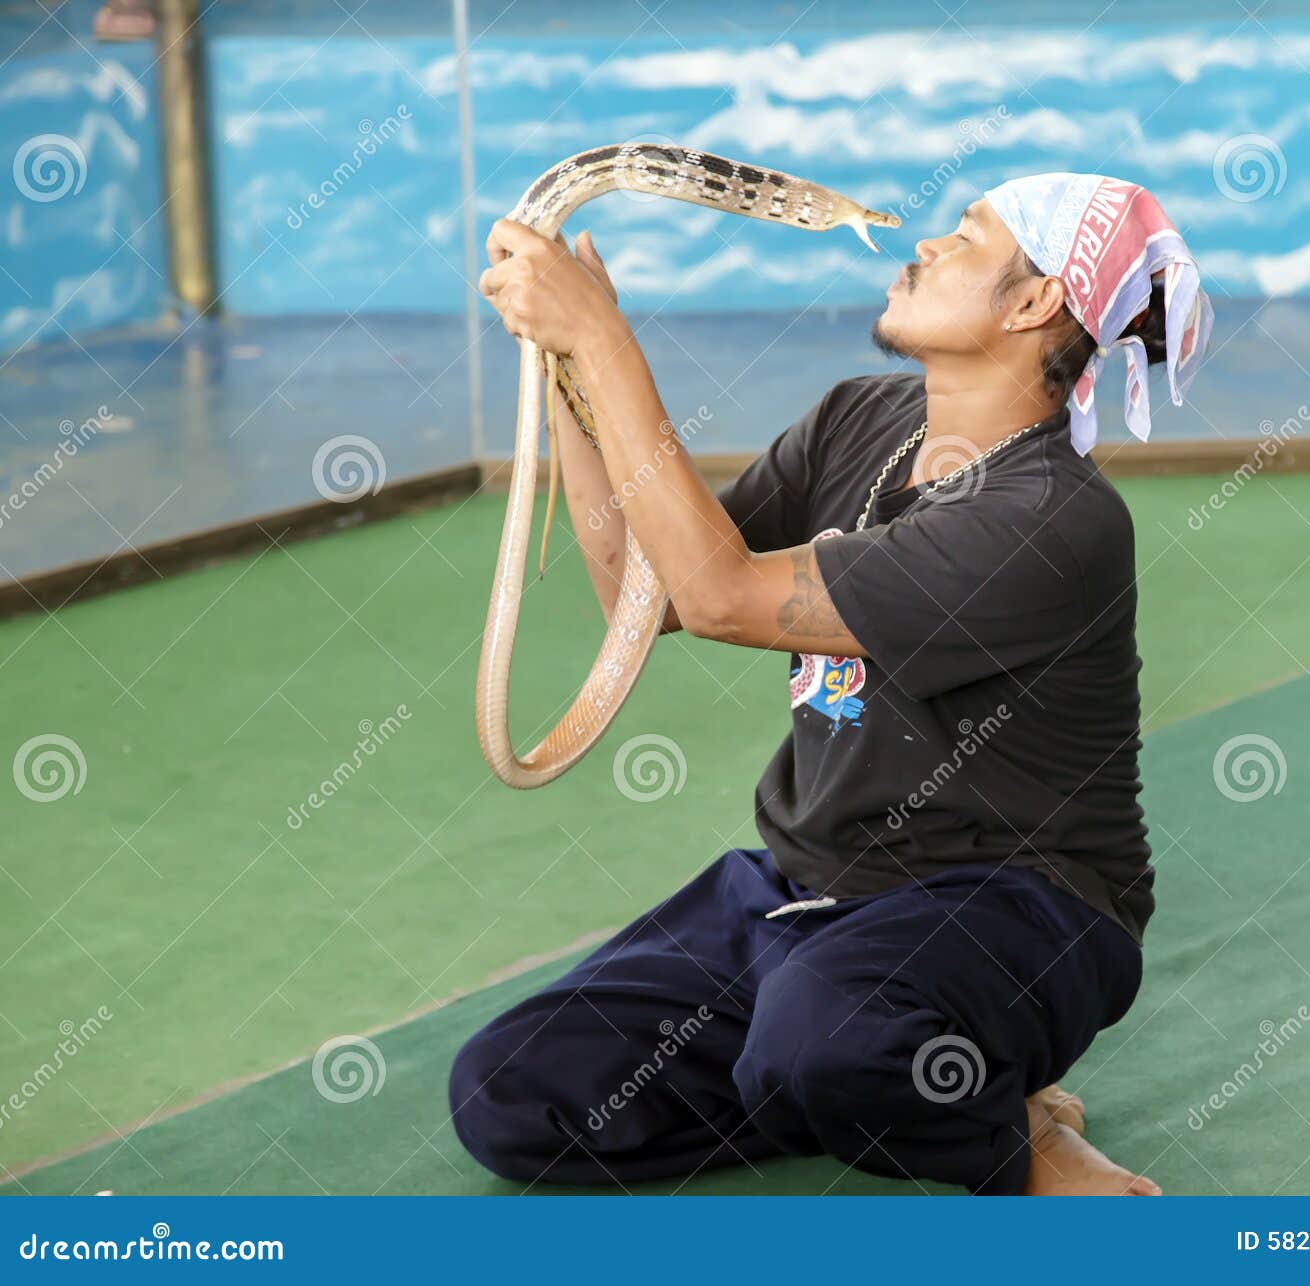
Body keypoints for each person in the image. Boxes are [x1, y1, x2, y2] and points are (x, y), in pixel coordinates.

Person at [453, 170, 1212, 1195]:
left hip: (1016, 905)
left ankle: (1001, 1129)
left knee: (828, 1031)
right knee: (512, 1089)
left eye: (965, 237)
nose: (926, 247)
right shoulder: (861, 417)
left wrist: (604, 340)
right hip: (804, 893)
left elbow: (721, 594)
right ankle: (871, 1073)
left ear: (1035, 302)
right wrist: (571, 379)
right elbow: (650, 595)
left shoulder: (1051, 518)